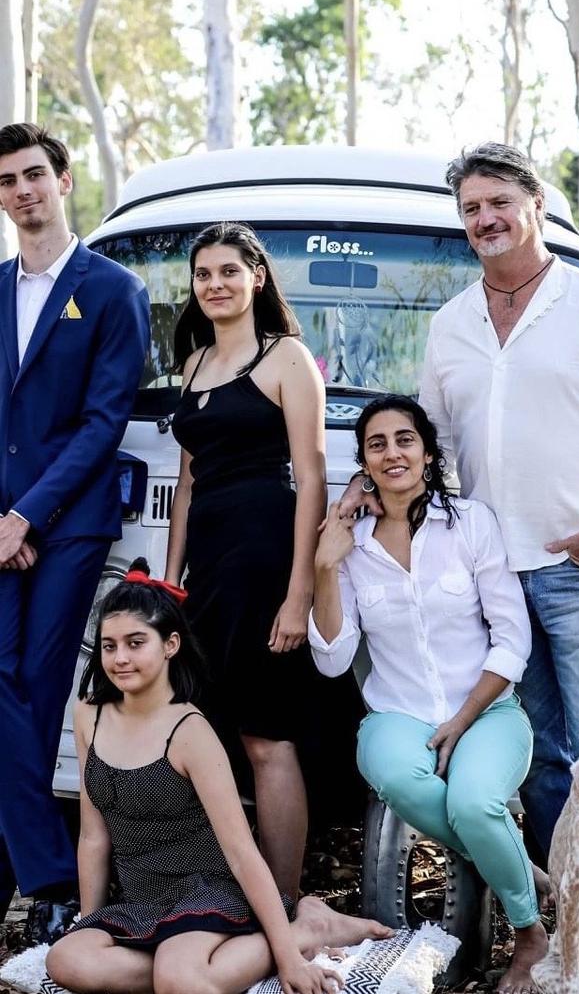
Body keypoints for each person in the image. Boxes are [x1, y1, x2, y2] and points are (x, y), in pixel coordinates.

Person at [341, 143, 579, 859]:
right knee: (540, 760)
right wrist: (366, 488)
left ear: (535, 204)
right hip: (488, 576)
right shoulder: (452, 324)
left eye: (499, 202)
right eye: (472, 209)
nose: (486, 219)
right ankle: (555, 921)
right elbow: (431, 443)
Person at [45, 569, 391, 994]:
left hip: (209, 892)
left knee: (181, 977)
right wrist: (90, 923)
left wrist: (288, 959)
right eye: (109, 646)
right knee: (67, 960)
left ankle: (306, 931)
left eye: (137, 644)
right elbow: (94, 836)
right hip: (143, 900)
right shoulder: (88, 714)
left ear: (170, 645)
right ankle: (184, 966)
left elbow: (241, 851)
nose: (120, 659)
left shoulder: (190, 730)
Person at [310, 394, 548, 994]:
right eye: (377, 443)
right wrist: (323, 566)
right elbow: (334, 658)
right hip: (397, 715)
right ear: (364, 460)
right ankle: (522, 873)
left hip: (488, 711)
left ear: (428, 452)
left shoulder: (471, 523)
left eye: (405, 439)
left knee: (473, 802)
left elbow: (512, 640)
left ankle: (528, 934)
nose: (393, 453)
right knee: (397, 772)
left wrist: (464, 720)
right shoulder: (352, 546)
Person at [165, 222, 362, 904]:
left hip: (265, 559)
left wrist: (299, 592)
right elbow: (188, 483)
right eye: (203, 274)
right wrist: (170, 584)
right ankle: (215, 890)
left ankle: (280, 906)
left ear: (256, 277)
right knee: (203, 733)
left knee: (266, 737)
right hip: (209, 572)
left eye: (227, 271)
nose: (214, 284)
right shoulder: (190, 364)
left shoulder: (287, 359)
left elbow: (311, 477)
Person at [0, 122, 149, 943]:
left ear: (63, 180)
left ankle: (40, 880)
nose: (23, 192)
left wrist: (29, 515)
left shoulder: (113, 288)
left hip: (67, 524)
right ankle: (49, 871)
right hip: (1, 524)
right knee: (4, 684)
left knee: (38, 684)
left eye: (34, 175)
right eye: (8, 182)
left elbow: (102, 424)